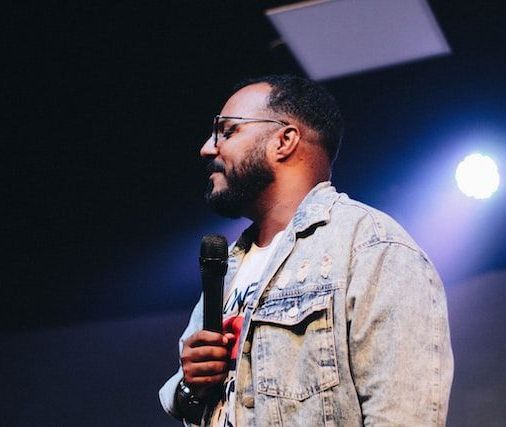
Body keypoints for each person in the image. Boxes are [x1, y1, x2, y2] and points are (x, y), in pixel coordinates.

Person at [159, 74, 453, 426]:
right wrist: (191, 387)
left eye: (228, 131)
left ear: (284, 141)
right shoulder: (229, 266)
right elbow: (198, 404)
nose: (208, 148)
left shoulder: (371, 247)